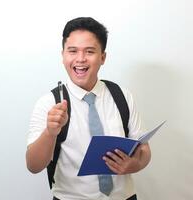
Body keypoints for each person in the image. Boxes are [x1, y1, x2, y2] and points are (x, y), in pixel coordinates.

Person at [26, 17, 151, 200]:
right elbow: (33, 165)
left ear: (103, 57)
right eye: (73, 51)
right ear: (63, 56)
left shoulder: (122, 96)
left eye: (90, 51)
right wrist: (50, 132)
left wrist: (134, 165)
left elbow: (144, 149)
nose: (80, 59)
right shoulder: (49, 103)